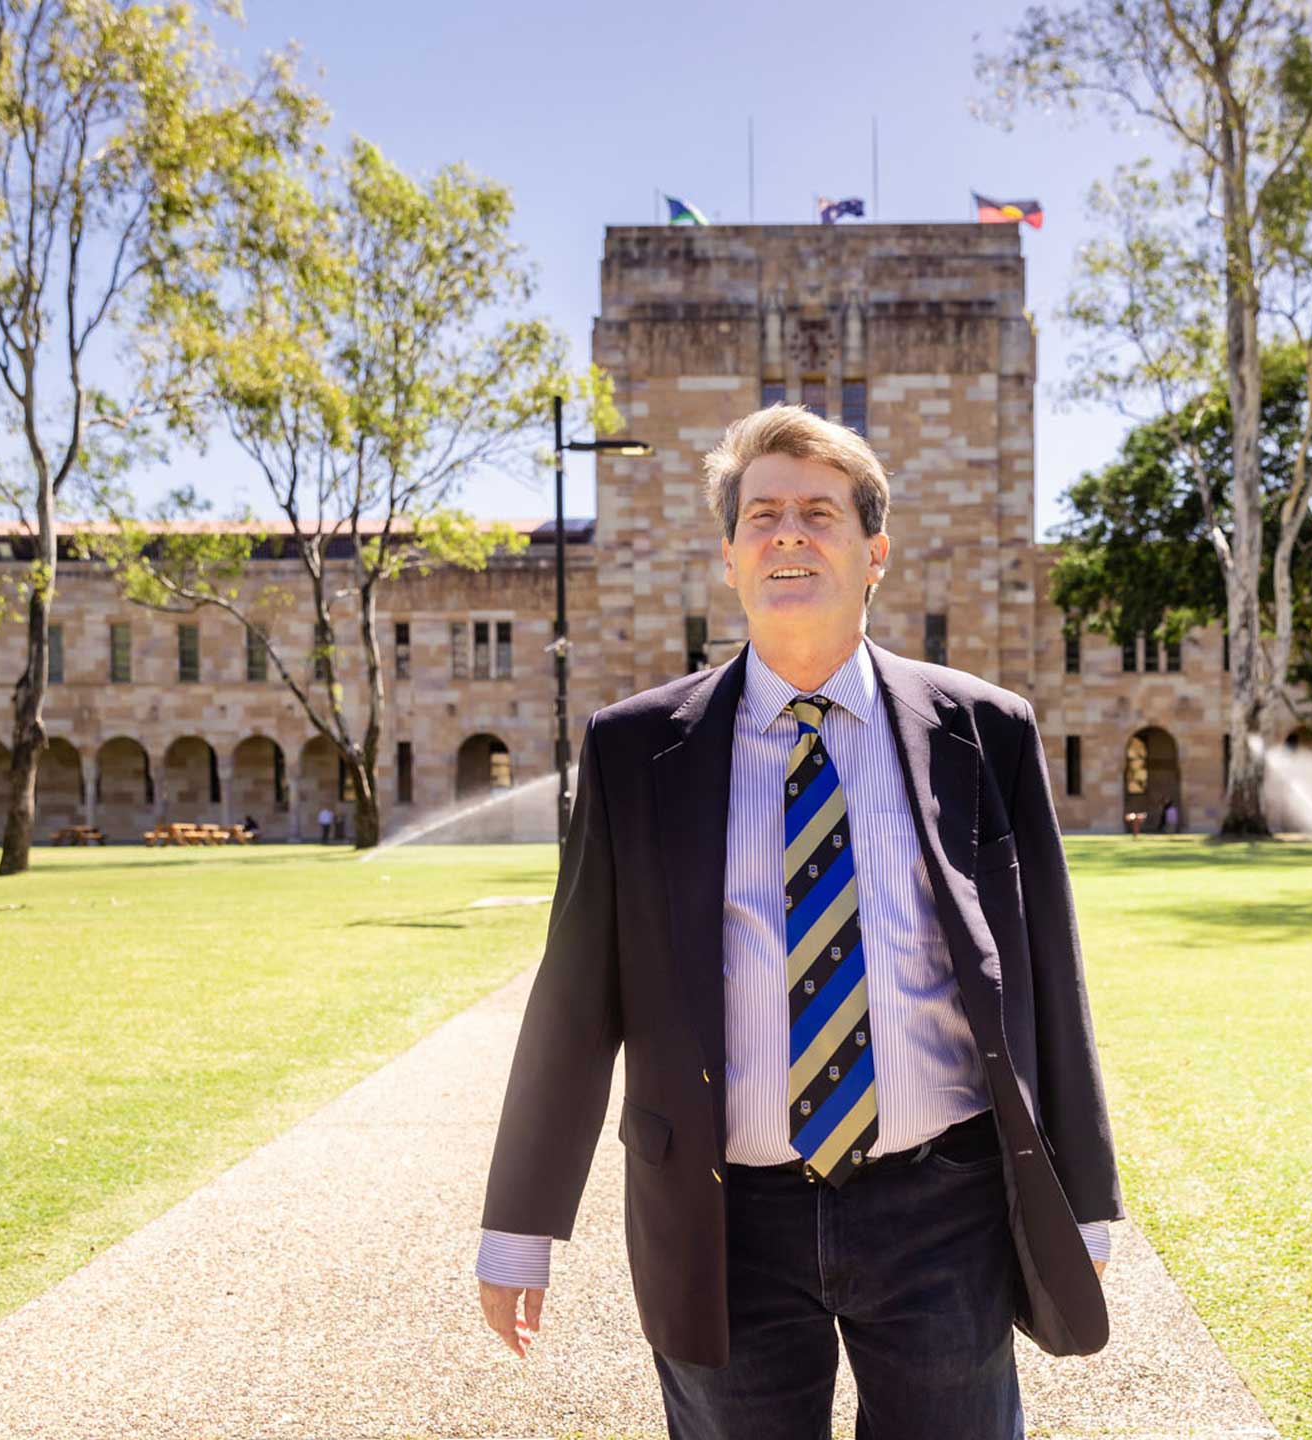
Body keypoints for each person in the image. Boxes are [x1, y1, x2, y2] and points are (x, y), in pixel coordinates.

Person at [476, 405, 1119, 1439]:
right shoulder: (634, 751)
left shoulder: (983, 732)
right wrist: (519, 1223)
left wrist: (1082, 1195)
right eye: (761, 514)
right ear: (728, 557)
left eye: (818, 513)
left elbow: (1047, 975)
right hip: (721, 1216)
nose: (787, 533)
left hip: (940, 1207)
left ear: (874, 553)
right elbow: (575, 997)